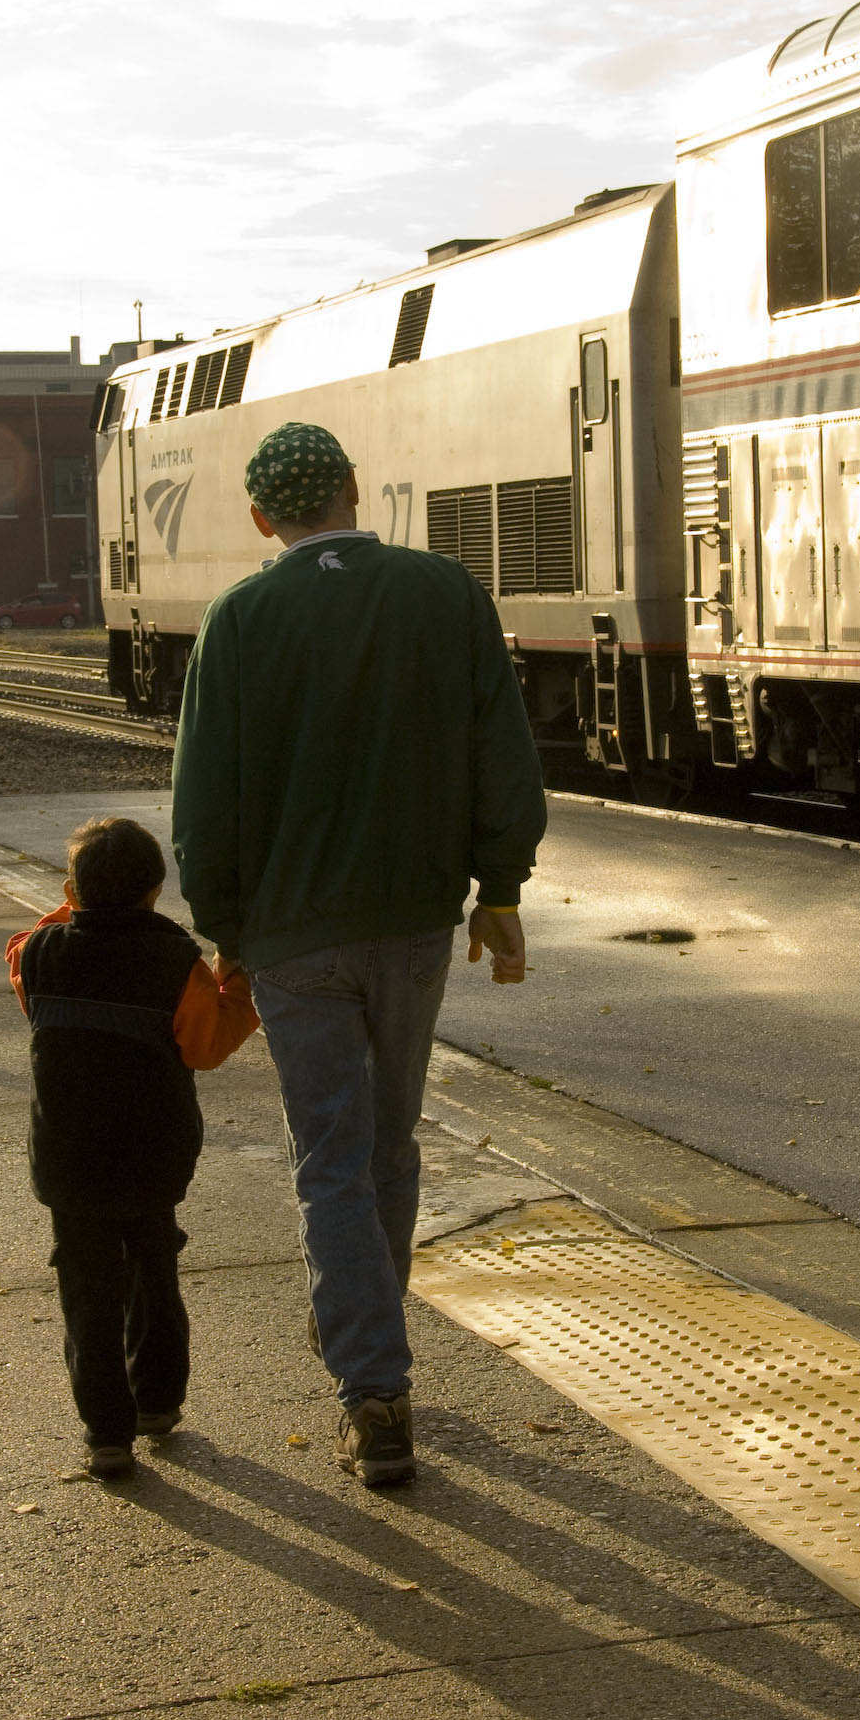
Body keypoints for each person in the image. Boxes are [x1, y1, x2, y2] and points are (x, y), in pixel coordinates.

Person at [171, 420, 547, 1486]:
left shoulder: (238, 618)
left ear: (261, 518)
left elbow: (202, 802)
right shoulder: (445, 593)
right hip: (417, 923)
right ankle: (366, 1328)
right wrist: (501, 890)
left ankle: (372, 1385)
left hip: (292, 940)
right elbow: (500, 751)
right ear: (352, 489)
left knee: (328, 1156)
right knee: (388, 1145)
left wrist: (228, 927)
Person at [5, 816, 258, 1478]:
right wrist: (236, 974)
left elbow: (22, 950)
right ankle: (158, 1401)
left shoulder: (39, 953)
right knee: (153, 1269)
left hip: (70, 1160)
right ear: (154, 892)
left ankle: (105, 1433)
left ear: (73, 890)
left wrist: (73, 907)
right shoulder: (176, 961)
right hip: (151, 1156)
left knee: (87, 1292)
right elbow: (209, 1041)